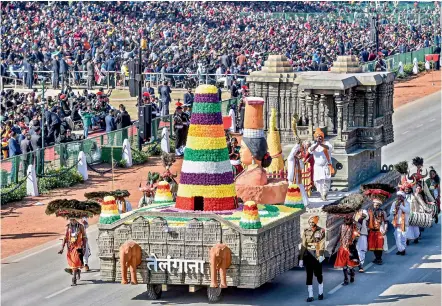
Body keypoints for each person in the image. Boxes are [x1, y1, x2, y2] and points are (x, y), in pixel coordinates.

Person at [362, 183, 394, 266]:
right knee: (373, 246)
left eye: (377, 205)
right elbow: (366, 220)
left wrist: (385, 229)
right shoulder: (369, 211)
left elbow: (386, 221)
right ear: (373, 204)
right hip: (372, 232)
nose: (376, 206)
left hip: (379, 231)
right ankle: (377, 258)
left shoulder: (382, 212)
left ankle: (379, 259)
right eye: (375, 205)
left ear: (379, 205)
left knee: (379, 246)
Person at [299, 215, 325, 302]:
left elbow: (322, 243)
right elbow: (303, 245)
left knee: (318, 275)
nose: (311, 224)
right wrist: (301, 258)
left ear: (316, 222)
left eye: (312, 222)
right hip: (308, 255)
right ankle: (310, 295)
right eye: (309, 222)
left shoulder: (321, 231)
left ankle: (320, 293)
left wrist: (321, 255)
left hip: (317, 255)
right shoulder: (306, 231)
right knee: (309, 275)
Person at [333, 214, 360, 286]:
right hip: (343, 248)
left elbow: (357, 236)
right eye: (346, 219)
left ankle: (352, 274)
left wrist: (353, 244)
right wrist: (334, 246)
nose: (347, 220)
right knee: (344, 266)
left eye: (349, 219)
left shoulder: (354, 226)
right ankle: (346, 280)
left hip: (350, 249)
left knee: (350, 266)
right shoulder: (341, 226)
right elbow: (339, 236)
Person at [58, 218, 86, 286]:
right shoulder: (68, 227)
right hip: (70, 248)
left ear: (76, 219)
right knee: (73, 263)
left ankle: (74, 280)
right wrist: (62, 248)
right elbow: (65, 237)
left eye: (73, 220)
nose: (72, 221)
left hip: (78, 247)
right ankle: (77, 271)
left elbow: (84, 237)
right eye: (71, 220)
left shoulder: (80, 226)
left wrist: (84, 246)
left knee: (75, 262)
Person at [308, 128, 333, 200]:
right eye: (318, 137)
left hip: (326, 166)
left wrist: (321, 144)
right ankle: (322, 194)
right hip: (318, 167)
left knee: (326, 180)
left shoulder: (326, 143)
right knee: (317, 181)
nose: (319, 138)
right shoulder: (314, 145)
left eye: (320, 137)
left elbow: (328, 148)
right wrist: (317, 145)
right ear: (315, 138)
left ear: (323, 137)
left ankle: (325, 194)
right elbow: (310, 150)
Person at [287, 140, 309, 207]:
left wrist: (300, 160)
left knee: (301, 190)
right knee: (292, 191)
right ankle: (292, 204)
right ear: (295, 153)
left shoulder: (298, 160)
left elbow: (302, 167)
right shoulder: (291, 159)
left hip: (298, 179)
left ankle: (304, 203)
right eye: (298, 153)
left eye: (300, 153)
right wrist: (297, 145)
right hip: (292, 178)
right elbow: (292, 153)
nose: (299, 154)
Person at [390, 191, 410, 256]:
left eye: (400, 196)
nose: (398, 197)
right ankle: (401, 249)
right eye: (398, 196)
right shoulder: (394, 203)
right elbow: (391, 212)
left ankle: (401, 249)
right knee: (397, 237)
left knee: (403, 238)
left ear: (403, 197)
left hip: (404, 223)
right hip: (397, 223)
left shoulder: (406, 203)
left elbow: (407, 211)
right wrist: (394, 210)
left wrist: (401, 206)